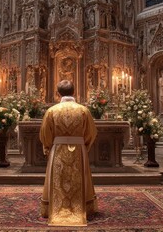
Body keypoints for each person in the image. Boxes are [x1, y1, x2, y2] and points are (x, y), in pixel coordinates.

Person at [39, 80, 98, 226]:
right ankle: (85, 206)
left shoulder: (52, 111)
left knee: (58, 179)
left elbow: (45, 134)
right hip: (79, 150)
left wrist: (48, 148)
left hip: (57, 149)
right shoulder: (83, 110)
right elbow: (91, 132)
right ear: (74, 92)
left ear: (58, 93)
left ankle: (52, 209)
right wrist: (85, 146)